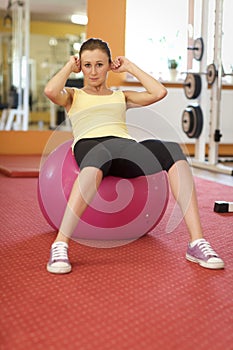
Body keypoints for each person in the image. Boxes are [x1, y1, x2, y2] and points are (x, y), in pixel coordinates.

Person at [44, 38, 224, 274]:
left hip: (124, 146)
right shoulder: (73, 95)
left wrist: (130, 67)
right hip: (90, 146)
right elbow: (50, 90)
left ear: (109, 65)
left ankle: (197, 242)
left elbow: (159, 91)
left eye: (100, 64)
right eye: (87, 65)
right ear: (81, 66)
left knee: (171, 148)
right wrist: (69, 66)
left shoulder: (122, 95)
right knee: (99, 153)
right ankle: (60, 244)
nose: (93, 71)